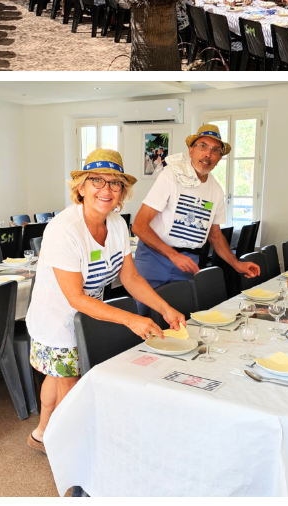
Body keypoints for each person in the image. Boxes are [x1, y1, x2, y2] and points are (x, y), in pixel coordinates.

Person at [24, 149, 187, 454]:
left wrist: (165, 308)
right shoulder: (63, 230)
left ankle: (42, 433)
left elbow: (131, 278)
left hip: (87, 315)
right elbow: (75, 297)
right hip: (56, 319)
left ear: (122, 192)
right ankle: (73, 452)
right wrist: (131, 319)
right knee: (70, 387)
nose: (106, 189)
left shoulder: (116, 224)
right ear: (81, 187)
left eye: (115, 184)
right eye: (96, 180)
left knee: (57, 375)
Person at [131, 125, 260, 316]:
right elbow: (139, 226)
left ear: (219, 158)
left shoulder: (215, 190)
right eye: (203, 146)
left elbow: (215, 236)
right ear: (191, 150)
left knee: (181, 318)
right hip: (153, 258)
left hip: (188, 262)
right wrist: (173, 255)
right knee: (144, 319)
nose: (208, 154)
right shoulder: (170, 176)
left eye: (215, 150)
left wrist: (236, 264)